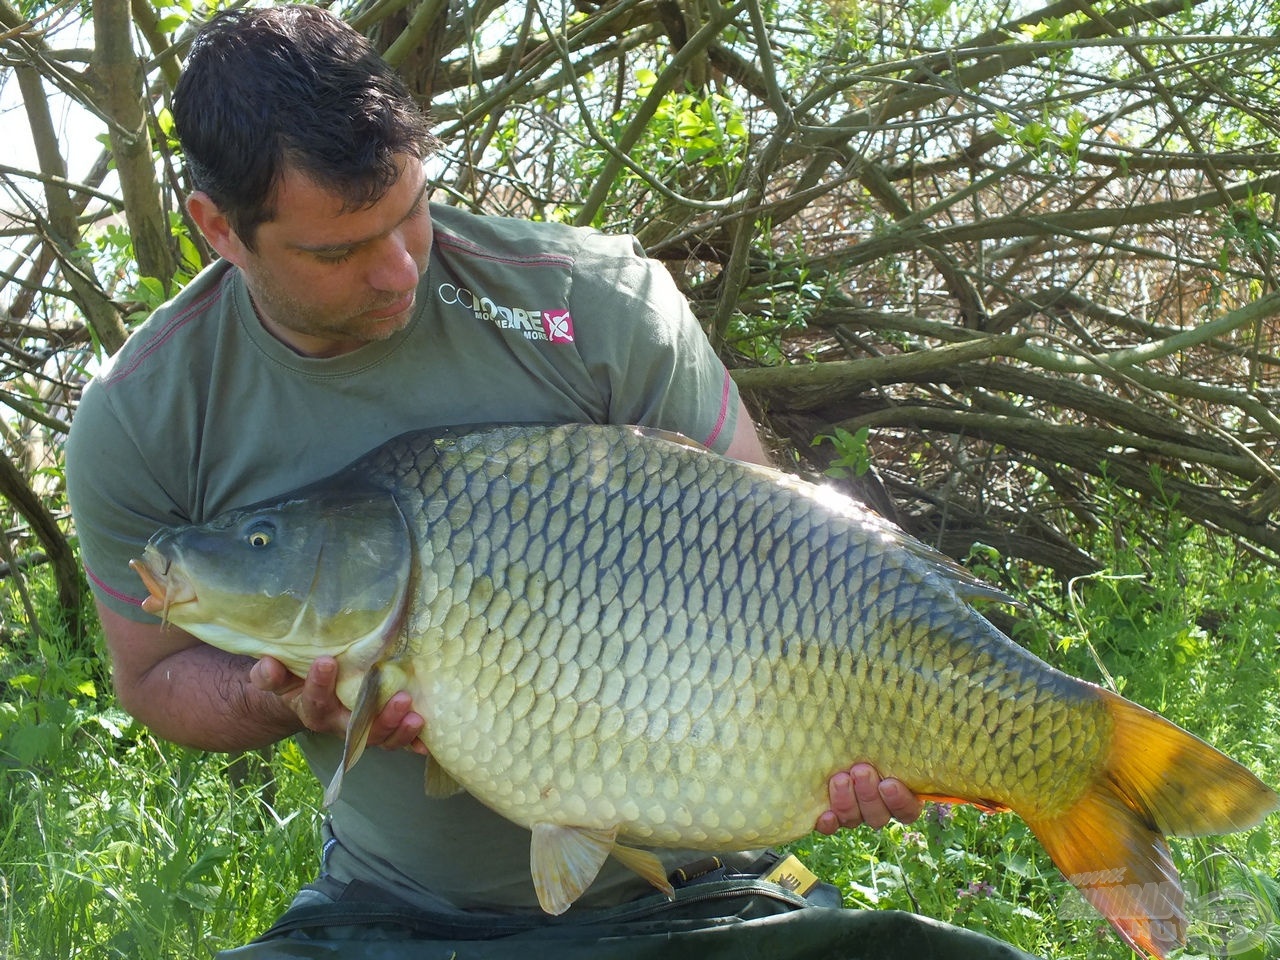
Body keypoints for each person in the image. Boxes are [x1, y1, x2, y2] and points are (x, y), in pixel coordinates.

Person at [65, 7, 1035, 959]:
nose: (400, 270)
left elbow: (774, 562)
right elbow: (153, 676)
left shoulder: (592, 303)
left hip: (711, 884)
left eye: (412, 213)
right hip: (397, 912)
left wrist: (852, 731)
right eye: (341, 250)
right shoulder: (144, 418)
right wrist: (278, 696)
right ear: (219, 229)